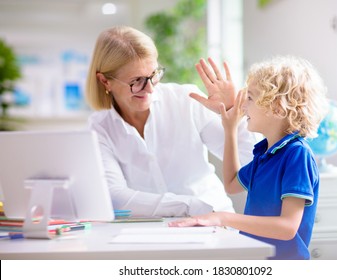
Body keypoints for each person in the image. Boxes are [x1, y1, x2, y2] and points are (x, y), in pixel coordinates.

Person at [85, 26, 256, 217]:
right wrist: (189, 206)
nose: (149, 89)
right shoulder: (99, 127)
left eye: (153, 75)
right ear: (105, 81)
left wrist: (233, 113)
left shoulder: (185, 100)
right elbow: (116, 197)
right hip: (156, 231)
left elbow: (251, 163)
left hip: (214, 220)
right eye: (137, 81)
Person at [169, 55, 329, 260]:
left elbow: (287, 227)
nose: (242, 105)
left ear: (277, 107)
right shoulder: (265, 153)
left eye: (250, 98)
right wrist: (230, 130)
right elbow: (232, 184)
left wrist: (223, 218)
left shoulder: (296, 154)